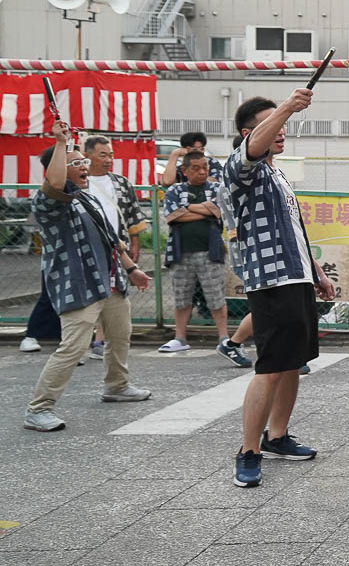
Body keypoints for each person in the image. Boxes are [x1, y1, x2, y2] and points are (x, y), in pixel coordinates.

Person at [226, 92, 335, 487]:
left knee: (292, 363)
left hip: (297, 276)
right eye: (272, 123)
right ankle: (248, 450)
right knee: (270, 367)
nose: (282, 130)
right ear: (247, 133)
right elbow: (252, 151)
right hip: (272, 280)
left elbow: (295, 230)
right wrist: (288, 106)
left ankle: (277, 436)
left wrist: (317, 272)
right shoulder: (242, 168)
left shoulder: (277, 174)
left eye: (283, 122)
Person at [23, 122, 153, 432]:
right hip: (78, 284)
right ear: (57, 168)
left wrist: (131, 268)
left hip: (109, 281)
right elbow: (55, 182)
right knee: (74, 347)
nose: (84, 166)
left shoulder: (87, 198)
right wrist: (60, 143)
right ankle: (39, 409)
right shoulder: (48, 203)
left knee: (120, 335)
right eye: (76, 163)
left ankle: (117, 386)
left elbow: (112, 239)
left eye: (83, 161)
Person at [82, 135, 149, 360]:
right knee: (89, 296)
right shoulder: (80, 183)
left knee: (112, 291)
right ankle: (84, 342)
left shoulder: (120, 182)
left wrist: (135, 243)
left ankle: (100, 340)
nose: (108, 160)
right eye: (103, 155)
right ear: (87, 156)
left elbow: (132, 214)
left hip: (116, 248)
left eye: (110, 155)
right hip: (86, 248)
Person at [158, 151, 231, 354]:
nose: (202, 172)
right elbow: (172, 216)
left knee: (216, 297)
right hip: (180, 252)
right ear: (185, 170)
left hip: (210, 251)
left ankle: (224, 338)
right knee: (182, 297)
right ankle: (179, 338)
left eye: (204, 168)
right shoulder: (175, 189)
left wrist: (187, 207)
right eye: (196, 168)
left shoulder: (216, 188)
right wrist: (205, 212)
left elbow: (218, 211)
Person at [216, 134, 256, 369]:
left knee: (271, 306)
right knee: (267, 306)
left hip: (261, 253)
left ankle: (234, 343)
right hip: (248, 253)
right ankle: (233, 343)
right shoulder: (234, 181)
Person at [159, 130, 223, 187]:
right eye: (195, 149)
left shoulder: (212, 162)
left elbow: (214, 181)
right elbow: (167, 181)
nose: (199, 152)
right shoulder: (183, 167)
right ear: (185, 150)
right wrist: (174, 154)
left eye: (201, 149)